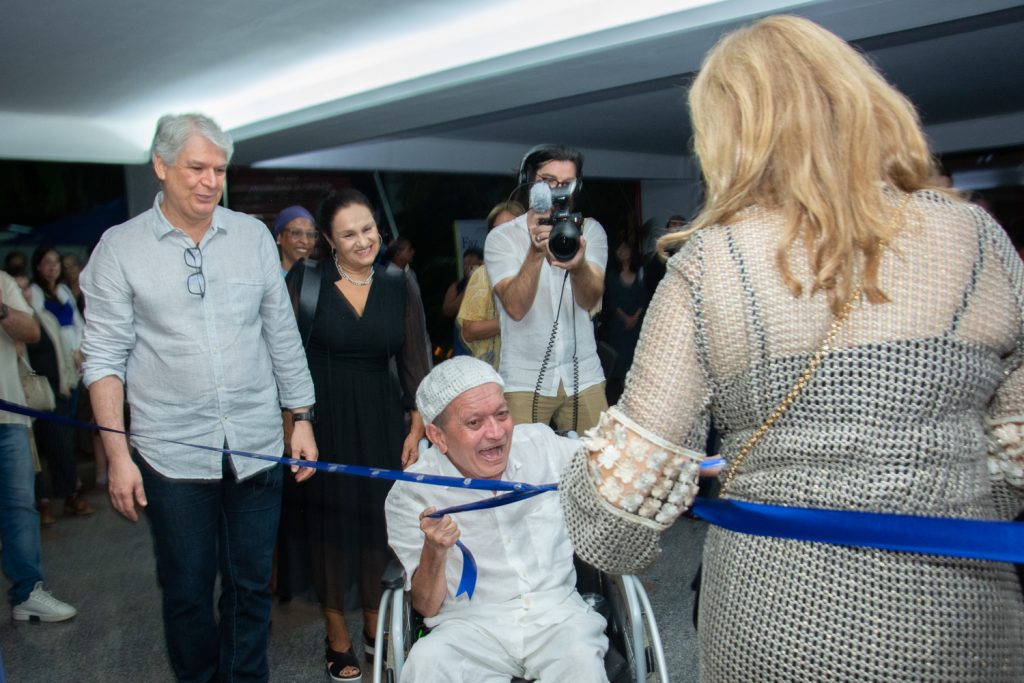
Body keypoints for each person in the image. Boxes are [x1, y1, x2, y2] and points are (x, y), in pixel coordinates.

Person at [559, 15, 1024, 682]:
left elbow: (618, 509)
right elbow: (1014, 455)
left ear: (731, 134)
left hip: (776, 616)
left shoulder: (712, 262)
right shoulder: (975, 238)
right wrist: (941, 500)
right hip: (963, 612)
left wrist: (571, 488)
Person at [81, 112, 318, 683]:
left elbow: (280, 333)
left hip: (257, 444)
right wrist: (117, 457)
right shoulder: (119, 249)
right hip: (172, 456)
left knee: (251, 586)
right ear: (161, 167)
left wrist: (301, 417)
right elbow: (104, 359)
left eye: (219, 169)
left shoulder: (253, 237)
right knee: (187, 591)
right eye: (196, 167)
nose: (210, 181)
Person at [385, 356, 608, 682]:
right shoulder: (411, 493)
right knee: (426, 661)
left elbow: (611, 464)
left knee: (581, 663)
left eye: (502, 415)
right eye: (474, 423)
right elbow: (426, 607)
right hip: (469, 626)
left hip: (557, 615)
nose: (496, 433)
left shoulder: (541, 446)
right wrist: (434, 550)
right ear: (437, 436)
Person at [286, 188, 429, 682]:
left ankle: (373, 623)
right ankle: (336, 634)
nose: (363, 240)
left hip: (382, 419)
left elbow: (415, 360)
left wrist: (416, 426)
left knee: (377, 526)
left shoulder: (398, 281)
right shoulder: (306, 280)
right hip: (321, 423)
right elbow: (284, 358)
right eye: (349, 233)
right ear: (329, 239)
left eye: (368, 228)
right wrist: (294, 425)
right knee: (328, 532)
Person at [485, 145, 608, 432]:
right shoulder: (501, 239)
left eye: (566, 184)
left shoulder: (590, 231)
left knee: (598, 463)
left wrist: (577, 266)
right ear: (528, 183)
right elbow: (514, 309)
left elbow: (590, 299)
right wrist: (535, 251)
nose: (557, 190)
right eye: (548, 181)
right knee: (524, 468)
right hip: (524, 379)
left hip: (584, 374)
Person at [0, 270, 77, 623]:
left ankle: (28, 592)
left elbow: (31, 331)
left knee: (20, 507)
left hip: (10, 418)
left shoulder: (2, 282)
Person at [13, 272, 88, 524]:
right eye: (17, 288)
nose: (23, 293)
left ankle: (70, 496)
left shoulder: (45, 317)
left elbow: (63, 352)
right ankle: (41, 503)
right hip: (21, 397)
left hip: (54, 392)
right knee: (31, 454)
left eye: (25, 288)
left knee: (62, 447)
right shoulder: (10, 323)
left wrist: (67, 382)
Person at [456, 201, 525, 370]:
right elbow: (469, 331)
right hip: (496, 373)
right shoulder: (483, 275)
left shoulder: (544, 268)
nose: (503, 235)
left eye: (511, 228)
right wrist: (514, 320)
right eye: (497, 230)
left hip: (540, 374)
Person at [602, 241, 648, 405]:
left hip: (636, 327)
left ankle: (638, 395)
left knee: (636, 360)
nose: (621, 251)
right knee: (621, 362)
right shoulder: (612, 275)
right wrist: (625, 318)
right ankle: (624, 397)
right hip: (619, 327)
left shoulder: (640, 272)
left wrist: (635, 317)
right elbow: (612, 301)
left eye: (625, 248)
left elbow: (644, 296)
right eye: (619, 249)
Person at [274, 205, 317, 276]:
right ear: (279, 237)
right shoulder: (269, 278)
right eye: (296, 233)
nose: (305, 241)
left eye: (310, 234)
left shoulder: (322, 276)